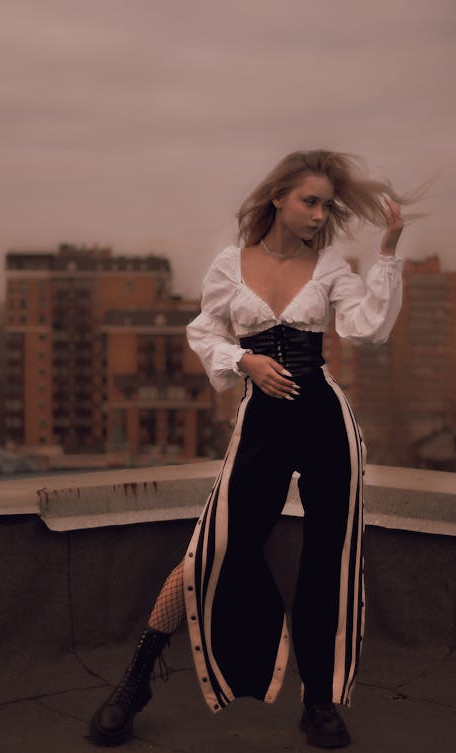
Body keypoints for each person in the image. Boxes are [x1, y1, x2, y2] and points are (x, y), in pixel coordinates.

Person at [90, 149, 415, 749]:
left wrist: (388, 252)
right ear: (278, 198)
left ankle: (319, 702)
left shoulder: (330, 268)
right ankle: (134, 682)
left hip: (324, 420)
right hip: (262, 421)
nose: (319, 215)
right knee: (214, 546)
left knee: (329, 561)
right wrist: (244, 359)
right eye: (309, 201)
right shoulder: (229, 265)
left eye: (326, 205)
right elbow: (204, 330)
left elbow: (368, 328)